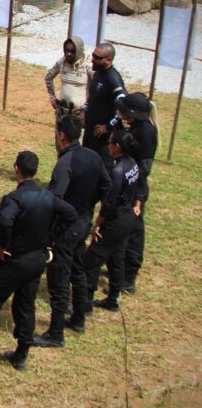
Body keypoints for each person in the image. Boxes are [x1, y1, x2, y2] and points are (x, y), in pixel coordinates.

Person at [0, 152, 76, 372]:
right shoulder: (48, 196)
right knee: (26, 304)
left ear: (16, 169)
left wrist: (4, 244)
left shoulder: (14, 198)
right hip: (37, 259)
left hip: (16, 259)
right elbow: (70, 213)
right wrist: (51, 239)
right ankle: (21, 354)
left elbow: (5, 220)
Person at [33, 114, 110, 348]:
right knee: (78, 271)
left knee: (59, 277)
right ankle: (78, 318)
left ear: (62, 136)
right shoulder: (93, 156)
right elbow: (105, 185)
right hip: (84, 221)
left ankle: (56, 333)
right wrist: (88, 205)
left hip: (67, 228)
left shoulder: (65, 163)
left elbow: (55, 198)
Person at [76, 130, 139, 319]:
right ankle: (113, 298)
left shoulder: (117, 172)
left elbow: (109, 204)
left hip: (116, 220)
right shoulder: (132, 164)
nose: (108, 146)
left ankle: (85, 304)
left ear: (117, 147)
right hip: (128, 217)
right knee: (116, 259)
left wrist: (98, 223)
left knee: (91, 260)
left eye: (110, 142)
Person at [114, 93, 157, 295]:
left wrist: (138, 198)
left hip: (136, 188)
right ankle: (118, 267)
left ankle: (129, 277)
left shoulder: (146, 131)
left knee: (134, 233)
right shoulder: (136, 126)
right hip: (128, 185)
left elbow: (144, 167)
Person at [81, 42, 126, 169]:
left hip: (102, 138)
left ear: (109, 60)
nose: (92, 59)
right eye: (93, 55)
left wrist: (108, 126)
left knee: (103, 169)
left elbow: (124, 106)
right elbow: (92, 96)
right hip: (90, 131)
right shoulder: (98, 73)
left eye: (97, 57)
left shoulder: (113, 79)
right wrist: (84, 110)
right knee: (86, 164)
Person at [44, 36, 92, 119]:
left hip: (80, 114)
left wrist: (87, 105)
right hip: (62, 112)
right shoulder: (61, 62)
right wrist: (52, 98)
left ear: (79, 51)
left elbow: (97, 85)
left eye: (73, 51)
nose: (68, 54)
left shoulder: (87, 65)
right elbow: (48, 78)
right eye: (66, 50)